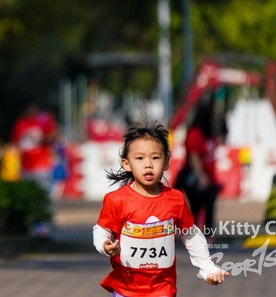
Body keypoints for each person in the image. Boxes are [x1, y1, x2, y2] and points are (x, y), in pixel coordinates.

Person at [93, 120, 229, 297]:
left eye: (155, 158)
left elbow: (191, 235)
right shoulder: (116, 200)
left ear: (166, 163)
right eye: (140, 158)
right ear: (127, 164)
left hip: (162, 289)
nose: (148, 164)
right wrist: (104, 245)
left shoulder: (175, 199)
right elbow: (102, 229)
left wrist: (207, 267)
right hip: (126, 289)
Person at [174, 97, 220, 238]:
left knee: (209, 207)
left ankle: (206, 235)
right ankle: (194, 236)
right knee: (196, 207)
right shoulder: (194, 134)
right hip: (197, 177)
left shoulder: (209, 135)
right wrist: (201, 177)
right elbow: (194, 158)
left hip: (209, 177)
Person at [10, 95, 58, 194]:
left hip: (42, 166)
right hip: (26, 166)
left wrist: (39, 139)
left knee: (44, 194)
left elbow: (53, 136)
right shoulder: (21, 123)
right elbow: (16, 143)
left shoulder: (43, 120)